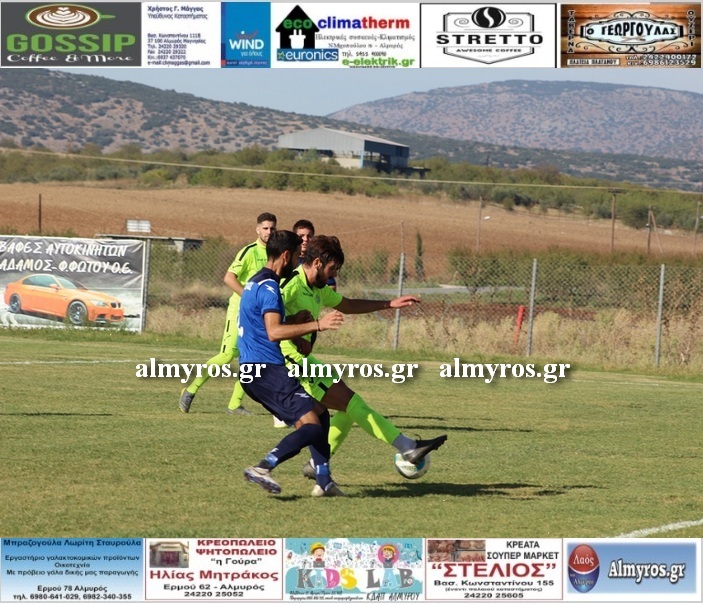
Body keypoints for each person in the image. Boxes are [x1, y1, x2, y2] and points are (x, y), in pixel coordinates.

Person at [280, 234, 447, 478]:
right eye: (331, 269)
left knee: (348, 412)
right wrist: (295, 333)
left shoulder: (316, 288)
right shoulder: (291, 285)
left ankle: (317, 465)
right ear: (317, 263)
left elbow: (347, 305)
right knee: (352, 403)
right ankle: (408, 447)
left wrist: (389, 304)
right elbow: (266, 323)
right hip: (289, 361)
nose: (333, 276)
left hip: (304, 360)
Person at [238, 230, 345, 497]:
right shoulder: (271, 288)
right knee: (311, 426)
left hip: (254, 369)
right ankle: (263, 467)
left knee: (320, 413)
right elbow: (274, 332)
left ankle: (324, 480)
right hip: (266, 370)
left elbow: (264, 325)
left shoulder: (255, 282)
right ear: (286, 256)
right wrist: (318, 325)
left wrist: (295, 325)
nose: (299, 262)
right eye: (297, 256)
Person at [179, 212, 277, 415]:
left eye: (272, 228)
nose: (269, 232)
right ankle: (190, 390)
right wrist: (249, 298)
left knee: (253, 358)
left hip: (259, 314)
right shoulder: (249, 252)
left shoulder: (276, 254)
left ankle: (234, 404)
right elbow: (229, 278)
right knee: (227, 355)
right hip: (239, 311)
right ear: (257, 229)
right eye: (265, 228)